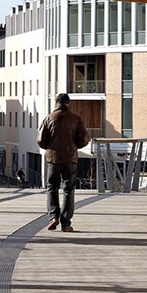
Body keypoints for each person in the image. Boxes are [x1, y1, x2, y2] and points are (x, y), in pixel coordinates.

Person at [37, 92, 89, 232]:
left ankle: (53, 217)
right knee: (68, 190)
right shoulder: (76, 119)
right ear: (68, 103)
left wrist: (50, 147)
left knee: (52, 187)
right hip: (70, 158)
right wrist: (74, 146)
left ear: (56, 103)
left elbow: (40, 140)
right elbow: (84, 138)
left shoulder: (48, 118)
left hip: (53, 158)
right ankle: (66, 224)